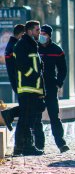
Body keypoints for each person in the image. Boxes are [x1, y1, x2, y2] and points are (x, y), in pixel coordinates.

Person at [13, 20, 46, 156]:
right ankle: (19, 147)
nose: (39, 33)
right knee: (25, 119)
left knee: (30, 119)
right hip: (27, 88)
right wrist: (33, 76)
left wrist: (41, 90)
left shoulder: (33, 45)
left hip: (34, 89)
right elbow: (22, 65)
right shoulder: (22, 45)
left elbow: (38, 68)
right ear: (29, 31)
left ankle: (27, 146)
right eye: (37, 30)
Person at [37, 24, 69, 153]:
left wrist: (58, 83)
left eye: (44, 35)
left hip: (50, 86)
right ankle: (39, 145)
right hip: (37, 86)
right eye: (41, 34)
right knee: (36, 117)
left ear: (49, 36)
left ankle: (61, 143)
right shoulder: (34, 48)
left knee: (54, 116)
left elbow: (63, 69)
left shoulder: (57, 50)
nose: (42, 37)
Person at [0, 24, 25, 131]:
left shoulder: (13, 45)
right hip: (21, 83)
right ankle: (8, 114)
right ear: (22, 34)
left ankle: (8, 114)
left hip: (19, 82)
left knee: (29, 108)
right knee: (29, 108)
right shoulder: (15, 46)